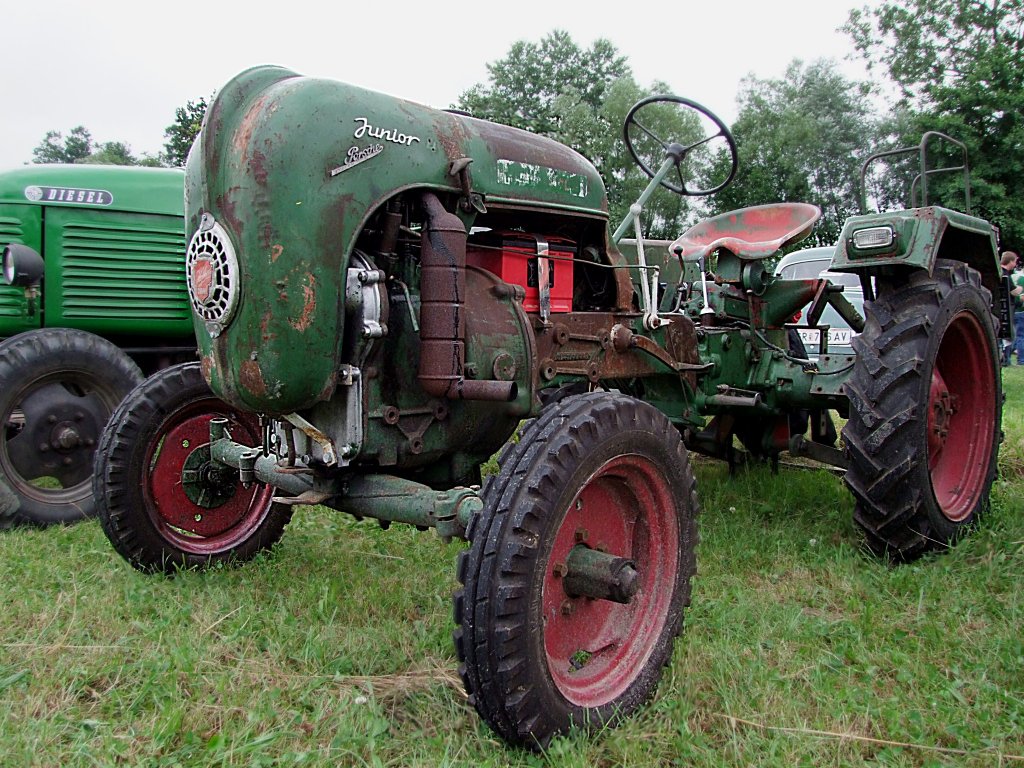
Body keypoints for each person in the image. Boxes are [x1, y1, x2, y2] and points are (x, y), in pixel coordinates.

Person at [1003, 251, 1024, 366]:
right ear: (1010, 261)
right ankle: (1009, 360)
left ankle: (1007, 359)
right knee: (1015, 336)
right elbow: (1014, 292)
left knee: (1013, 335)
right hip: (1013, 310)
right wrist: (1020, 289)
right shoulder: (1006, 274)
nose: (1015, 264)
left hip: (1009, 309)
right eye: (1015, 261)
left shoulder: (1007, 274)